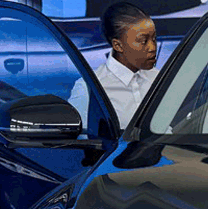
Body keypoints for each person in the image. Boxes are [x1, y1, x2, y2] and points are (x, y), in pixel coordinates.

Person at [68, 2, 159, 130]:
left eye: (154, 39)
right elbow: (82, 138)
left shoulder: (159, 79)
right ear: (118, 45)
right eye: (144, 41)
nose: (152, 48)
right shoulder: (89, 89)